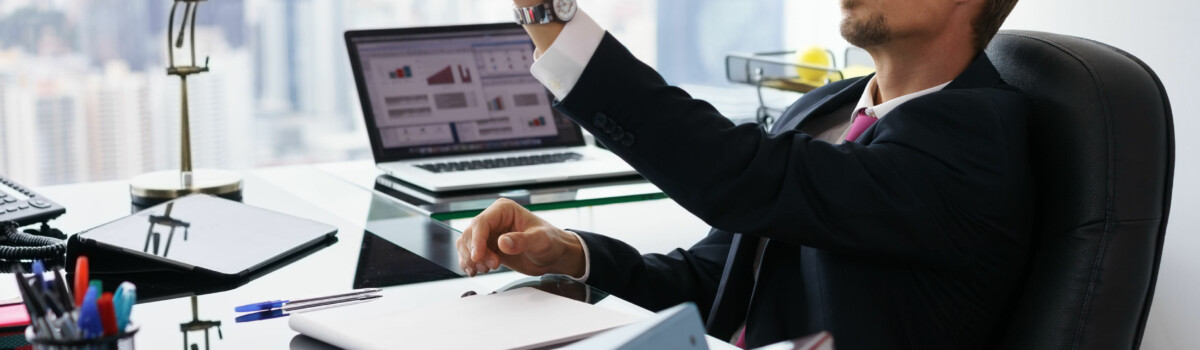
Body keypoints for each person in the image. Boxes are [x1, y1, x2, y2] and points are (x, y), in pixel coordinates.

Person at [456, 0, 1029, 348]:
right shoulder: (825, 108)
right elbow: (715, 283)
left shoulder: (978, 139)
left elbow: (740, 176)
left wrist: (549, 19)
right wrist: (573, 256)